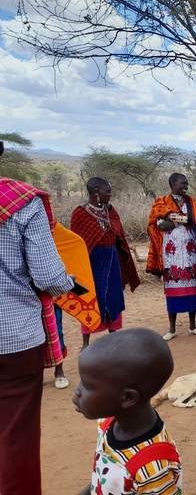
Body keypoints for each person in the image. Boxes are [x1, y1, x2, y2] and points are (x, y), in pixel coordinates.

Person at [0, 177, 74, 495]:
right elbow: (48, 275)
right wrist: (69, 282)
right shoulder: (21, 201)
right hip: (13, 338)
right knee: (17, 435)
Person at [73, 328, 182, 495]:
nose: (77, 389)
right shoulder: (108, 422)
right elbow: (104, 474)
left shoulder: (154, 468)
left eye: (87, 386)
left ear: (127, 398)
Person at [71, 178, 140, 348]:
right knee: (92, 298)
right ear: (96, 193)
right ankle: (85, 343)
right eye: (107, 192)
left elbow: (118, 231)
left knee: (114, 296)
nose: (110, 195)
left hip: (113, 259)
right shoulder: (80, 213)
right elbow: (78, 246)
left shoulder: (109, 211)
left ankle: (113, 337)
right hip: (93, 263)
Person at [146, 173, 196, 341]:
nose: (186, 185)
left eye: (187, 183)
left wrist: (174, 218)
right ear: (172, 183)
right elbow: (161, 226)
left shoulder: (191, 201)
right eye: (182, 183)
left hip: (191, 251)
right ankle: (172, 329)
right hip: (171, 251)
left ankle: (193, 325)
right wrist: (184, 219)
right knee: (172, 288)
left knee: (193, 286)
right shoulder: (160, 202)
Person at [51, 221, 102, 389]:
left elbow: (76, 242)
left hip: (46, 286)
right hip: (15, 287)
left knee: (54, 326)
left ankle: (59, 370)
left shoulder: (44, 221)